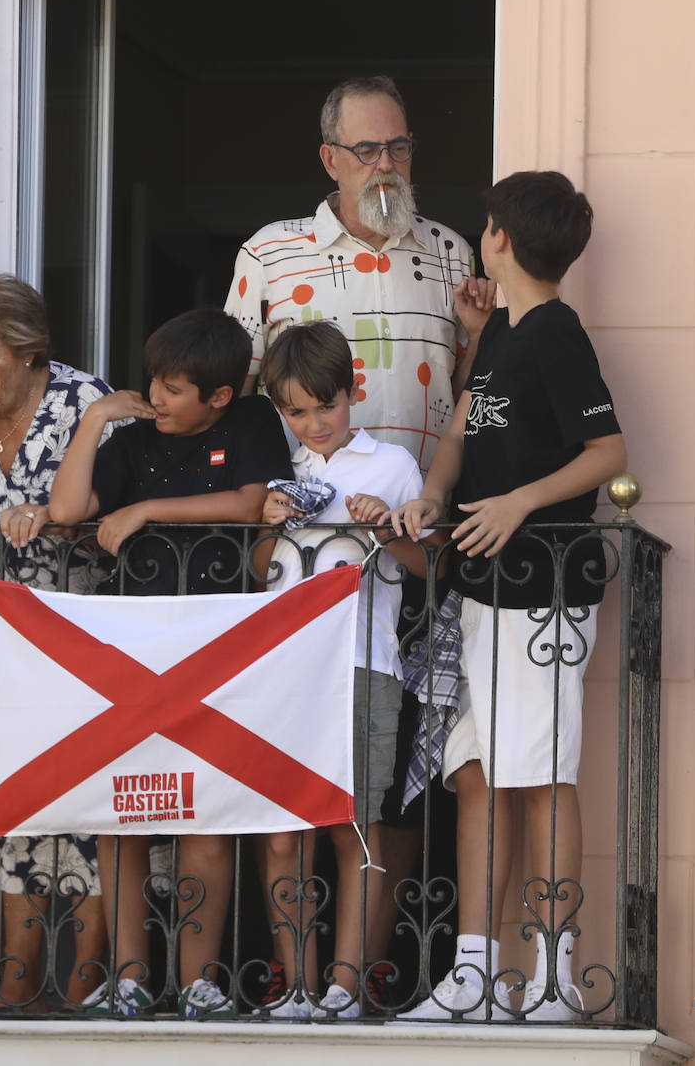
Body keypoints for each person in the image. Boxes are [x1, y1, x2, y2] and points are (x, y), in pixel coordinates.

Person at [389, 171, 627, 1022]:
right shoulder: (501, 332)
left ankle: (557, 978)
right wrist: (433, 494)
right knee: (482, 773)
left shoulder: (558, 333)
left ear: (496, 238)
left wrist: (521, 502)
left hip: (545, 589)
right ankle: (477, 972)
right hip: (480, 591)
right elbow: (462, 427)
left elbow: (607, 450)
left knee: (543, 774)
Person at [48, 309, 292, 1017]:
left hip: (220, 638)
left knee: (203, 812)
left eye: (175, 387)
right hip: (132, 640)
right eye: (153, 379)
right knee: (121, 811)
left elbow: (252, 502)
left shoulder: (248, 421)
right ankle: (128, 978)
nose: (156, 395)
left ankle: (197, 981)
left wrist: (147, 509)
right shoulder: (128, 439)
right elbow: (68, 511)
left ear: (219, 396)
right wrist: (94, 422)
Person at [0, 275, 112, 1011]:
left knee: (95, 793)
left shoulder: (82, 402)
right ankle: (19, 969)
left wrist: (56, 514)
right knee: (21, 789)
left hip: (88, 636)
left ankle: (87, 970)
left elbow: (122, 501)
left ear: (29, 350)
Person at [253, 322, 433, 1020]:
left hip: (363, 660)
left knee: (351, 822)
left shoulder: (391, 464)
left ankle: (345, 985)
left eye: (324, 406)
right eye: (296, 411)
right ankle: (297, 985)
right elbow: (260, 572)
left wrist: (386, 526)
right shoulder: (286, 471)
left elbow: (425, 569)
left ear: (352, 392)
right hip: (284, 664)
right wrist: (268, 524)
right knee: (281, 828)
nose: (314, 423)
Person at [224, 74, 474, 473]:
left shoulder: (451, 253)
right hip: (309, 519)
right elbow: (234, 391)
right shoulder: (267, 254)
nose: (387, 164)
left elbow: (470, 393)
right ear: (330, 160)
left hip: (423, 518)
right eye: (367, 150)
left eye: (398, 147)